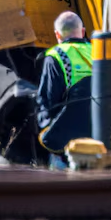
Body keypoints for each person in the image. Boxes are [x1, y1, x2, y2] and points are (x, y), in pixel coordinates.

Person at [37, 10, 93, 168]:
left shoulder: (56, 56)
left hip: (69, 141)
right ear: (83, 31)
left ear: (57, 34)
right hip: (102, 134)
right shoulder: (98, 53)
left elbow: (49, 101)